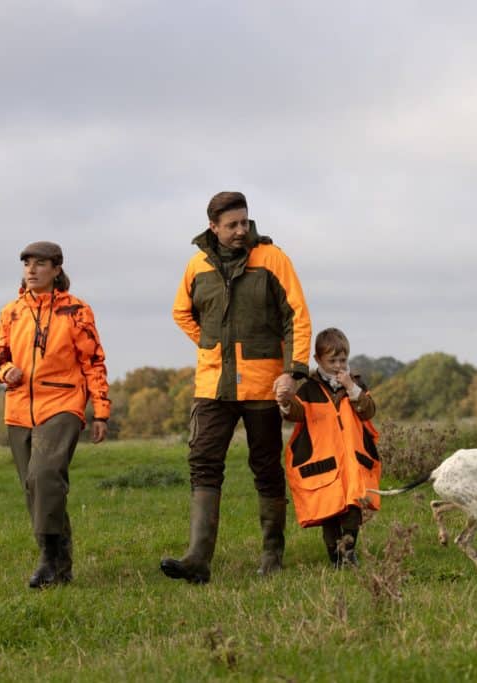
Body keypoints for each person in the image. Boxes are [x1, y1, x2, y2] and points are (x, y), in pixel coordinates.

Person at [162, 191, 311, 584]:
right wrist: (211, 346)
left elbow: (296, 316)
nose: (241, 230)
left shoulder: (273, 259)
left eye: (245, 222)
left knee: (265, 468)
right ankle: (197, 559)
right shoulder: (197, 265)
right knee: (203, 463)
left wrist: (293, 372)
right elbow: (182, 312)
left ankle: (272, 554)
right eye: (233, 225)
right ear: (214, 226)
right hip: (213, 386)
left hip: (264, 385)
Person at [0, 241, 111, 588]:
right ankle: (61, 566)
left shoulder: (76, 311)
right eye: (27, 263)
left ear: (56, 269)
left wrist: (101, 411)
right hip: (18, 409)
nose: (31, 270)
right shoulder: (10, 312)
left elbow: (93, 363)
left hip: (62, 404)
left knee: (44, 475)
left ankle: (46, 559)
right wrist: (6, 371)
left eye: (40, 264)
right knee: (36, 487)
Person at [275, 327, 381, 568]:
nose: (338, 365)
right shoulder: (308, 388)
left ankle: (349, 551)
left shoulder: (356, 384)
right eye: (331, 360)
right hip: (323, 464)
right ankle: (335, 555)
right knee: (330, 512)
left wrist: (352, 389)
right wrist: (285, 403)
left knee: (354, 507)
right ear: (318, 360)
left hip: (353, 462)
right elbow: (297, 413)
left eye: (342, 360)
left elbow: (368, 411)